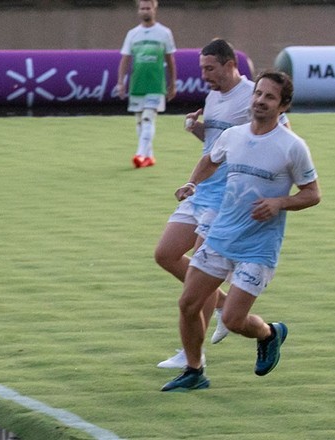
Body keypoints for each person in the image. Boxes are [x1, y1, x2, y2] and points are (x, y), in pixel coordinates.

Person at [161, 71, 320, 391]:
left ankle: (270, 334)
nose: (260, 100)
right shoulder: (233, 135)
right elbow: (210, 160)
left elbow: (312, 194)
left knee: (233, 320)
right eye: (258, 93)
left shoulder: (292, 147)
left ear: (283, 105)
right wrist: (192, 183)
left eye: (269, 97)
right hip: (221, 235)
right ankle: (194, 371)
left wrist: (279, 203)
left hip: (258, 247)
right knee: (188, 304)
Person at [154, 39, 292, 369]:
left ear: (230, 65)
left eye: (209, 68)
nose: (204, 75)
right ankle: (221, 305)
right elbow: (219, 145)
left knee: (200, 278)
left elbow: (278, 138)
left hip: (229, 197)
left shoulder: (252, 95)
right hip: (203, 189)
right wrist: (197, 129)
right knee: (165, 254)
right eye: (202, 69)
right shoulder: (214, 96)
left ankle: (193, 358)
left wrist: (270, 195)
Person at [117, 0, 176, 168]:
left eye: (148, 8)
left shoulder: (164, 33)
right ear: (138, 11)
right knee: (139, 121)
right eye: (142, 8)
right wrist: (121, 82)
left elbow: (170, 60)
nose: (145, 11)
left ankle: (140, 154)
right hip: (137, 84)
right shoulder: (132, 34)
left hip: (156, 85)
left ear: (154, 9)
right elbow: (125, 59)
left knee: (148, 117)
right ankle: (149, 156)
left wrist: (173, 83)